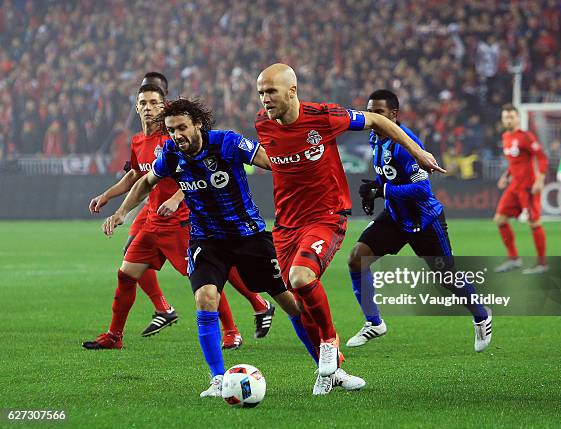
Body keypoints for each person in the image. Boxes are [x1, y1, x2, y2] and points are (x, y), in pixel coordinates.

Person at [101, 98, 365, 396]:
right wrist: (122, 212)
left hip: (249, 236)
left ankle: (332, 368)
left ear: (198, 124)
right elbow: (146, 181)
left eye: (182, 128)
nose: (177, 135)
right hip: (207, 240)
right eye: (172, 130)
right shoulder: (172, 154)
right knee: (205, 298)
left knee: (292, 303)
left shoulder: (226, 143)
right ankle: (217, 379)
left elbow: (271, 162)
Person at [254, 63, 444, 393]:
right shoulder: (262, 124)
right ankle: (332, 372)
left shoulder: (324, 117)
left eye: (270, 91)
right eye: (260, 93)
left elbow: (378, 120)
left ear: (292, 91)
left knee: (302, 277)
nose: (264, 99)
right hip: (286, 224)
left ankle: (329, 341)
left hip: (326, 215)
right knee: (294, 303)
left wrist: (418, 151)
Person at [83, 83, 273, 350]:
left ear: (164, 107)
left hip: (180, 222)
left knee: (207, 279)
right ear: (136, 107)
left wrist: (175, 198)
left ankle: (233, 328)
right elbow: (139, 177)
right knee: (126, 274)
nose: (148, 108)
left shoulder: (173, 141)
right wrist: (115, 205)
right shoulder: (139, 141)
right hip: (152, 221)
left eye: (154, 103)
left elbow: (195, 173)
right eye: (143, 103)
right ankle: (116, 335)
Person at [344, 89, 492, 351]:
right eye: (370, 112)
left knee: (446, 277)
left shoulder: (407, 144)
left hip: (425, 220)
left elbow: (423, 189)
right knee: (357, 257)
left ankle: (482, 315)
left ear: (393, 114)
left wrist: (384, 191)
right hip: (395, 216)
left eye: (378, 112)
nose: (372, 117)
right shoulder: (375, 136)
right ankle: (374, 323)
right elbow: (387, 176)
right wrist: (374, 188)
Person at [494, 104, 549, 274]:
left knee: (534, 223)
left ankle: (542, 263)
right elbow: (514, 162)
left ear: (517, 118)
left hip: (528, 187)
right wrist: (506, 175)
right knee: (500, 219)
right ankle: (514, 258)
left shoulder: (526, 137)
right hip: (514, 186)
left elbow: (542, 158)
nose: (508, 120)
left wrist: (540, 179)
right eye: (505, 117)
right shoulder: (505, 137)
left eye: (511, 117)